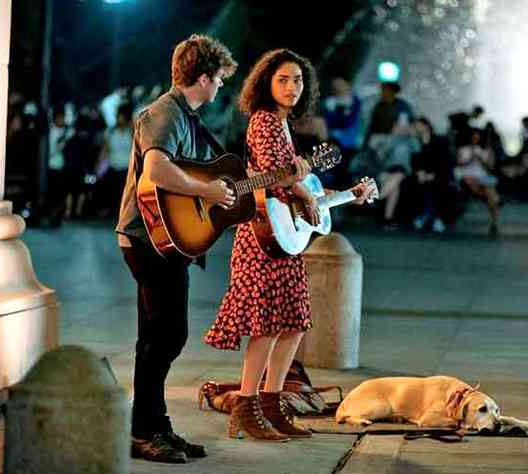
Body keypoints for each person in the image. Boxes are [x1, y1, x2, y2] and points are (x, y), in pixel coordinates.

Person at [203, 48, 372, 442]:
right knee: (265, 326)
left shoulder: (284, 126)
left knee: (294, 324)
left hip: (285, 239)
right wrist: (304, 192)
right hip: (262, 239)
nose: (291, 87)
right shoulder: (263, 121)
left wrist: (345, 194)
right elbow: (272, 177)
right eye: (283, 79)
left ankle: (271, 405)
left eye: (297, 80)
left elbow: (300, 189)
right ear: (266, 83)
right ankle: (246, 408)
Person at [115, 34, 237, 464]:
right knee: (162, 336)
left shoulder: (188, 118)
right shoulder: (164, 112)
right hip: (146, 238)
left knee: (162, 335)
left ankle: (154, 424)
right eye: (219, 79)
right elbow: (156, 170)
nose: (221, 87)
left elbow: (200, 179)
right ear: (203, 77)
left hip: (167, 241)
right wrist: (205, 188)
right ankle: (143, 431)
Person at [364, 81, 418, 228]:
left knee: (394, 176)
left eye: (385, 90)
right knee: (396, 177)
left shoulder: (402, 107)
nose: (383, 92)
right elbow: (371, 129)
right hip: (382, 145)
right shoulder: (379, 107)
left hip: (394, 145)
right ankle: (387, 215)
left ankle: (380, 201)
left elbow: (406, 127)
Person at [409, 117, 452, 233]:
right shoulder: (416, 142)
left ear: (426, 126)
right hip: (421, 175)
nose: (416, 128)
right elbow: (415, 161)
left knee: (434, 185)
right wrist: (419, 172)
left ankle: (428, 216)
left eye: (418, 125)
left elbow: (444, 161)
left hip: (438, 174)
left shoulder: (439, 140)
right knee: (419, 184)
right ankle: (432, 217)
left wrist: (432, 174)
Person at [455, 128, 502, 235]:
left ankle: (494, 221)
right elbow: (459, 164)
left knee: (489, 190)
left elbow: (490, 167)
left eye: (477, 137)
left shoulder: (485, 151)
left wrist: (482, 159)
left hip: (482, 178)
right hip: (467, 176)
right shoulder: (463, 149)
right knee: (486, 189)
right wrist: (471, 158)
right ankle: (496, 199)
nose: (475, 139)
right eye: (473, 136)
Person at [322, 77, 362, 187]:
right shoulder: (329, 102)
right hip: (332, 139)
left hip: (349, 142)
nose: (339, 88)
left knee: (344, 167)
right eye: (336, 86)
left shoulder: (355, 101)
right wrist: (342, 117)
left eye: (341, 85)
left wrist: (338, 117)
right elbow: (328, 121)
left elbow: (349, 121)